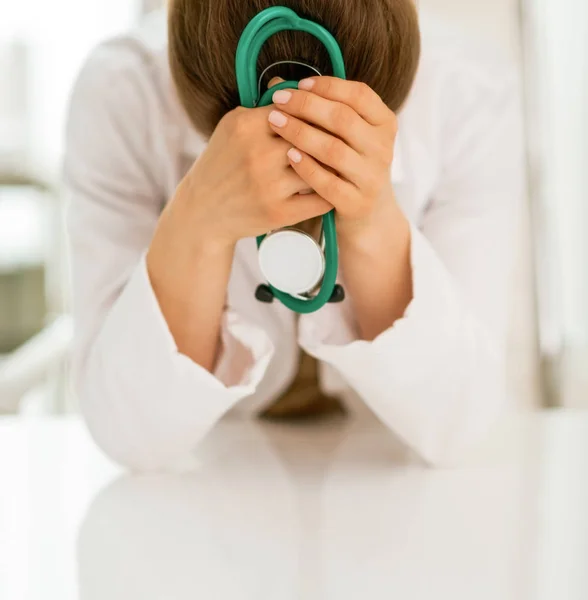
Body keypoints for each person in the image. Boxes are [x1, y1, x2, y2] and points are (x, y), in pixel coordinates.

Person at [65, 0, 525, 472]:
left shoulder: (469, 93)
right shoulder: (121, 92)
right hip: (215, 475)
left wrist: (372, 223)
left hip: (386, 472)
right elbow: (127, 433)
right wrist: (198, 222)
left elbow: (460, 420)